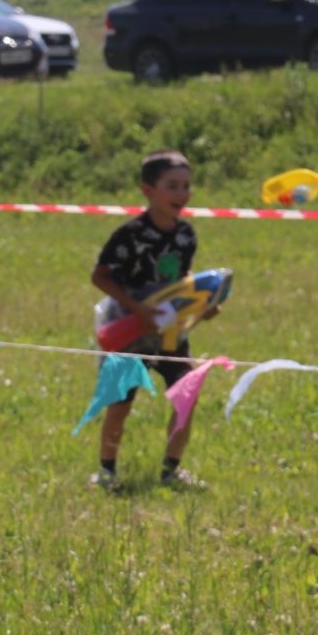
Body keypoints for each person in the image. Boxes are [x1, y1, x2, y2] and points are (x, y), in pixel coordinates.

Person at [90, 150, 213, 492]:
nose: (181, 194)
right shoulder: (129, 234)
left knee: (186, 395)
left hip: (170, 330)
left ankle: (171, 470)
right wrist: (137, 308)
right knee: (119, 404)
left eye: (186, 186)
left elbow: (183, 277)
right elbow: (100, 277)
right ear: (148, 190)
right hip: (128, 331)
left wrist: (202, 304)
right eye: (172, 186)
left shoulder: (186, 235)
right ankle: (106, 471)